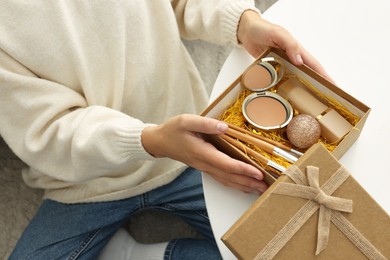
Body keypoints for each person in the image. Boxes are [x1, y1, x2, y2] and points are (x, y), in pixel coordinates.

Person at [0, 0, 330, 259]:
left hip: (193, 150)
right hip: (87, 183)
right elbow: (49, 131)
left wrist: (244, 22)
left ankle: (137, 254)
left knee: (306, 248)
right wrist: (150, 141)